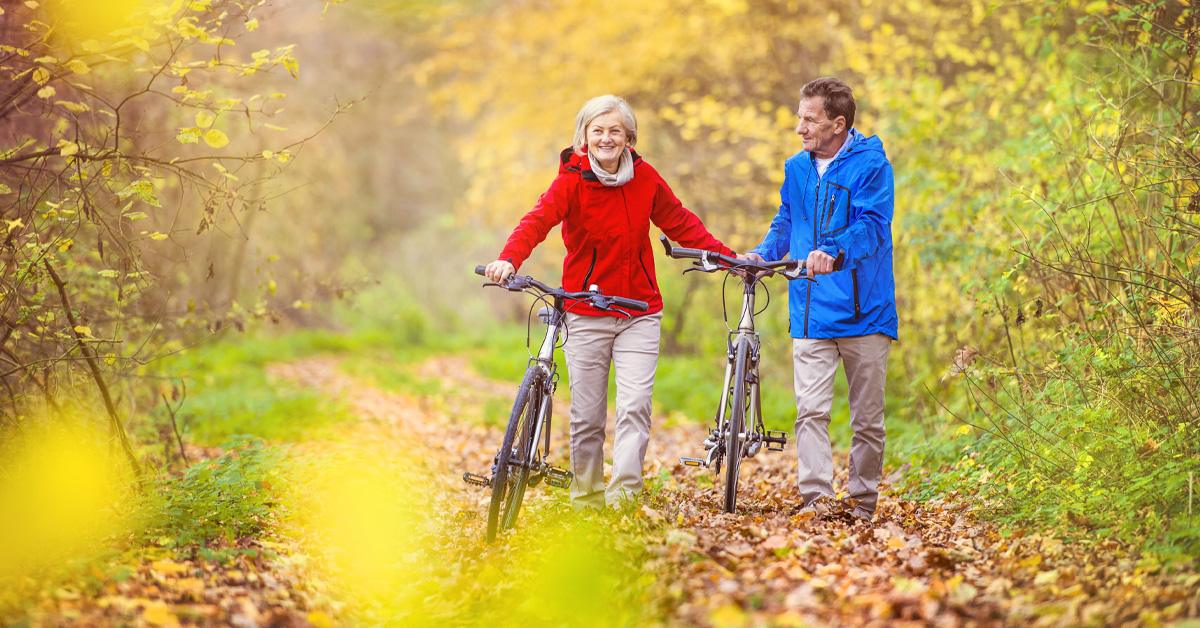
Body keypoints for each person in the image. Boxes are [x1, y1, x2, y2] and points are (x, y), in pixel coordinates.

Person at [485, 94, 735, 510]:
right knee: (587, 416)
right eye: (597, 130)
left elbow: (680, 221)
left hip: (639, 311)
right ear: (584, 137)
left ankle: (624, 499)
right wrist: (509, 258)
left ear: (628, 138)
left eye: (615, 131)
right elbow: (536, 221)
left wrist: (728, 258)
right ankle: (587, 499)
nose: (606, 138)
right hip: (585, 311)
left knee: (635, 406)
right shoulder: (571, 182)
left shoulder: (645, 178)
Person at [742, 77, 897, 521]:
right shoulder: (796, 167)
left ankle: (863, 502)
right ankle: (817, 500)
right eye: (799, 118)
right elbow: (787, 220)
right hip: (810, 310)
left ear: (838, 123)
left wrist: (833, 249)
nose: (800, 128)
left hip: (865, 312)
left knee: (867, 420)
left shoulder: (872, 165)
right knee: (810, 412)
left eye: (809, 119)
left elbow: (873, 225)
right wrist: (763, 254)